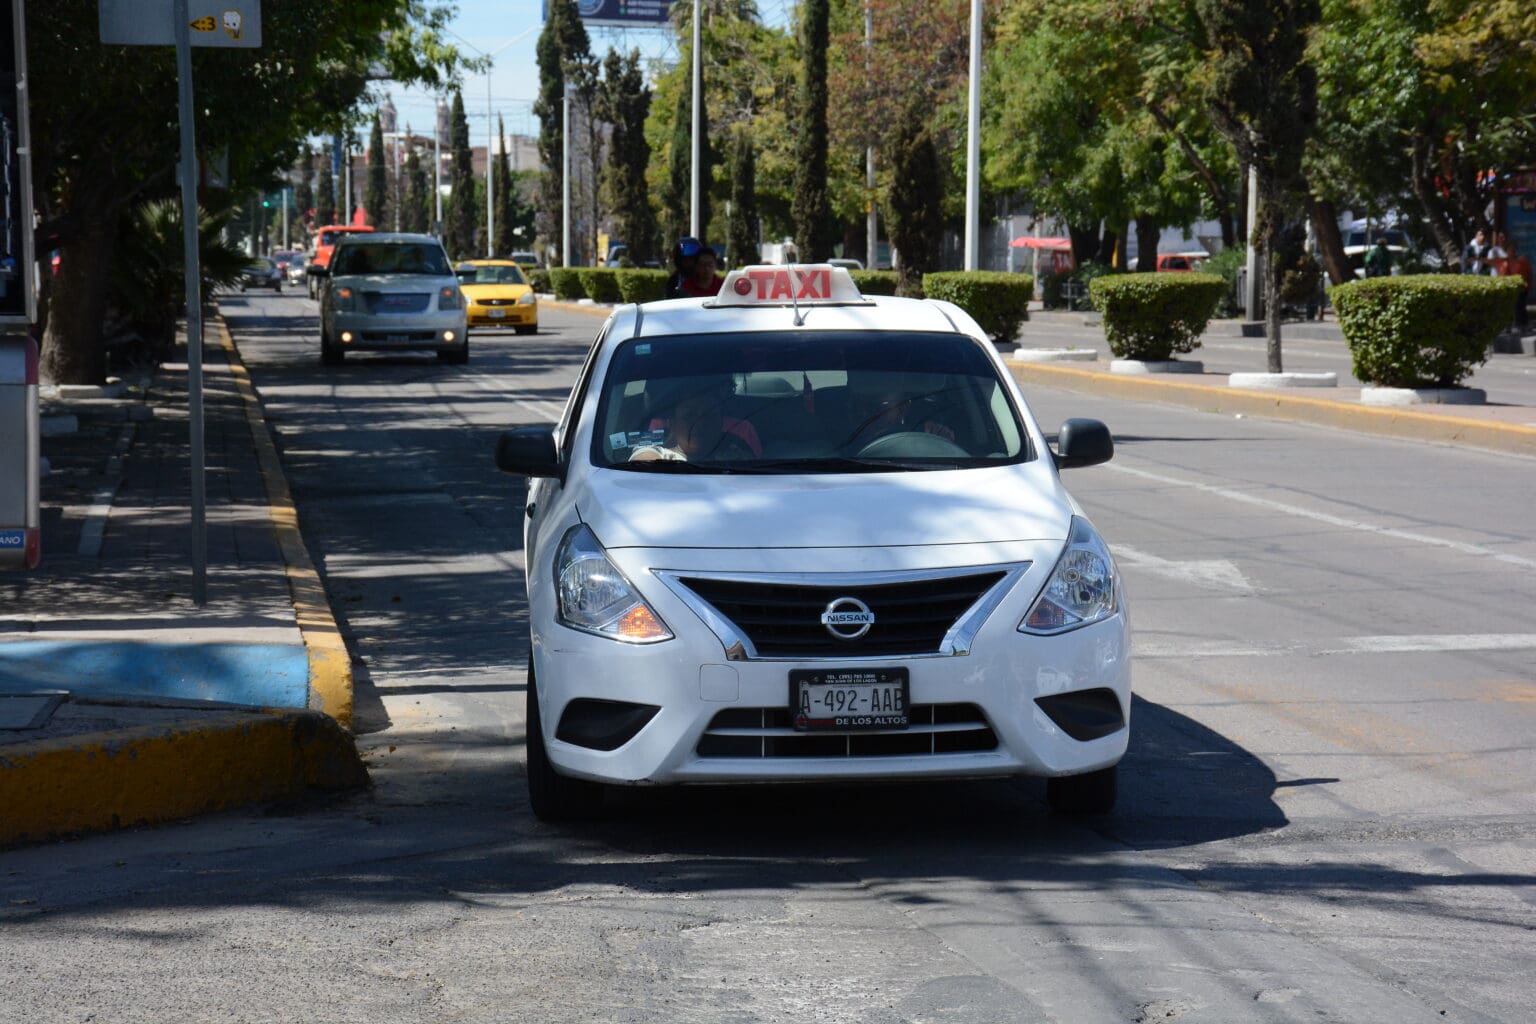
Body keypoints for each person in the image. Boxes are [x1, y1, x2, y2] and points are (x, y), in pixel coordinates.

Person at [629, 378, 762, 462]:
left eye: (709, 415)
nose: (700, 423)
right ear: (672, 423)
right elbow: (643, 456)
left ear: (721, 421)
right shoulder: (660, 450)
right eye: (688, 416)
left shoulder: (737, 452)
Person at [1505, 239, 1532, 332]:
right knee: (1516, 306)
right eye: (1509, 250)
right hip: (1512, 288)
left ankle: (1522, 324)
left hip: (1522, 288)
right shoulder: (1507, 262)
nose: (1511, 252)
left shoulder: (1522, 260)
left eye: (1513, 250)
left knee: (1519, 306)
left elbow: (1528, 273)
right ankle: (1518, 324)